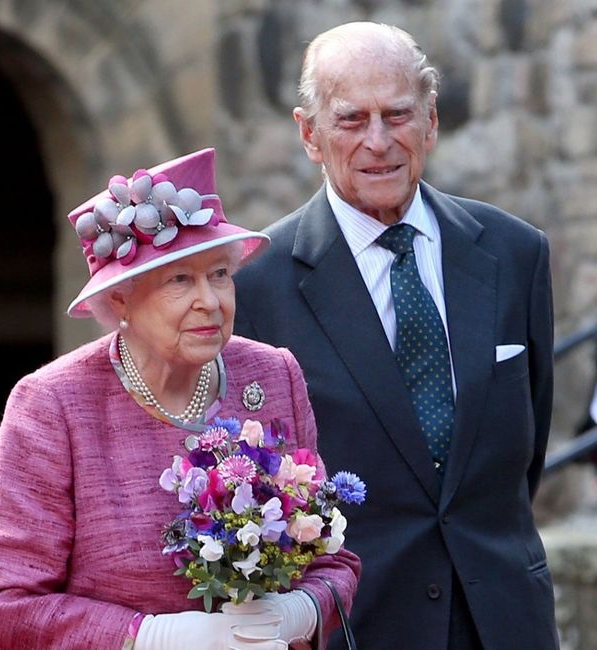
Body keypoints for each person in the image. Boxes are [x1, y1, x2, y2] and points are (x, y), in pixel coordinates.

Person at [234, 21, 558, 650]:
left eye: (398, 115)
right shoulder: (257, 287)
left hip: (507, 622)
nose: (378, 141)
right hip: (360, 625)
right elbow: (258, 483)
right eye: (352, 119)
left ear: (431, 122)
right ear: (310, 134)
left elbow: (528, 450)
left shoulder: (517, 254)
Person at [0, 148, 361, 649]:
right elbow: (0, 603)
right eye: (180, 279)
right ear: (121, 298)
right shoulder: (53, 406)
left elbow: (332, 560)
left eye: (219, 273)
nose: (211, 301)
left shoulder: (273, 374)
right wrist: (149, 637)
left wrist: (297, 612)